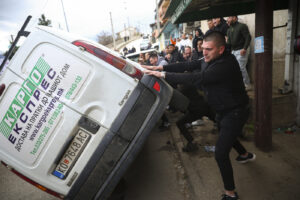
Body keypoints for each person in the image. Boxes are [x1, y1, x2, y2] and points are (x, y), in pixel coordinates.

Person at [142, 31, 255, 200]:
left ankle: (230, 194)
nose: (204, 52)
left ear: (221, 49)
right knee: (225, 131)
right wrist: (161, 67)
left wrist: (163, 75)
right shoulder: (208, 58)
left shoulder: (225, 64)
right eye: (203, 48)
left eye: (209, 49)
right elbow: (189, 65)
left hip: (235, 112)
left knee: (221, 153)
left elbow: (197, 77)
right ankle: (245, 155)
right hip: (222, 110)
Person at [227, 16, 252, 91]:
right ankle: (239, 84)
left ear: (234, 18)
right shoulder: (229, 30)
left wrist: (245, 48)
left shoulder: (242, 26)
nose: (227, 19)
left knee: (241, 67)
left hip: (242, 49)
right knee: (234, 68)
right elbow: (229, 43)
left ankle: (247, 84)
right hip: (234, 51)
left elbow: (248, 37)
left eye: (229, 17)